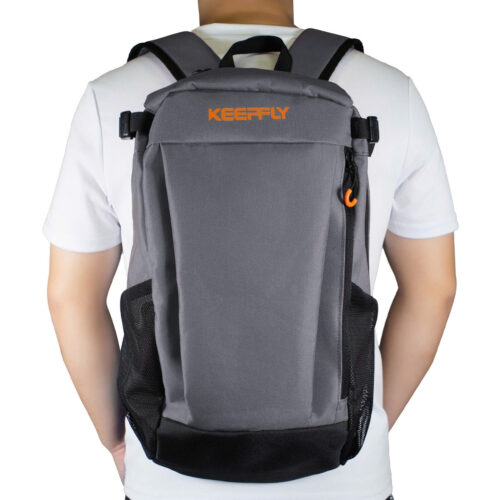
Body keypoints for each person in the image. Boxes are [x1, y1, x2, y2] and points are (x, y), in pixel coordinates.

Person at [45, 1, 457, 499]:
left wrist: (118, 443)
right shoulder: (391, 91)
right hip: (346, 475)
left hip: (168, 467)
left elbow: (70, 297)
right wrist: (364, 423)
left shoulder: (110, 95)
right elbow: (434, 289)